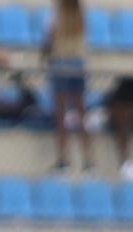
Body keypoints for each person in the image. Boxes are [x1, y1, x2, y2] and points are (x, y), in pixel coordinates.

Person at [43, 0, 93, 173]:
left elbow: (49, 40)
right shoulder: (80, 15)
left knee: (61, 115)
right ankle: (88, 159)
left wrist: (44, 55)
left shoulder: (56, 14)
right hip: (78, 64)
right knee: (81, 114)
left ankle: (64, 159)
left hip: (61, 63)